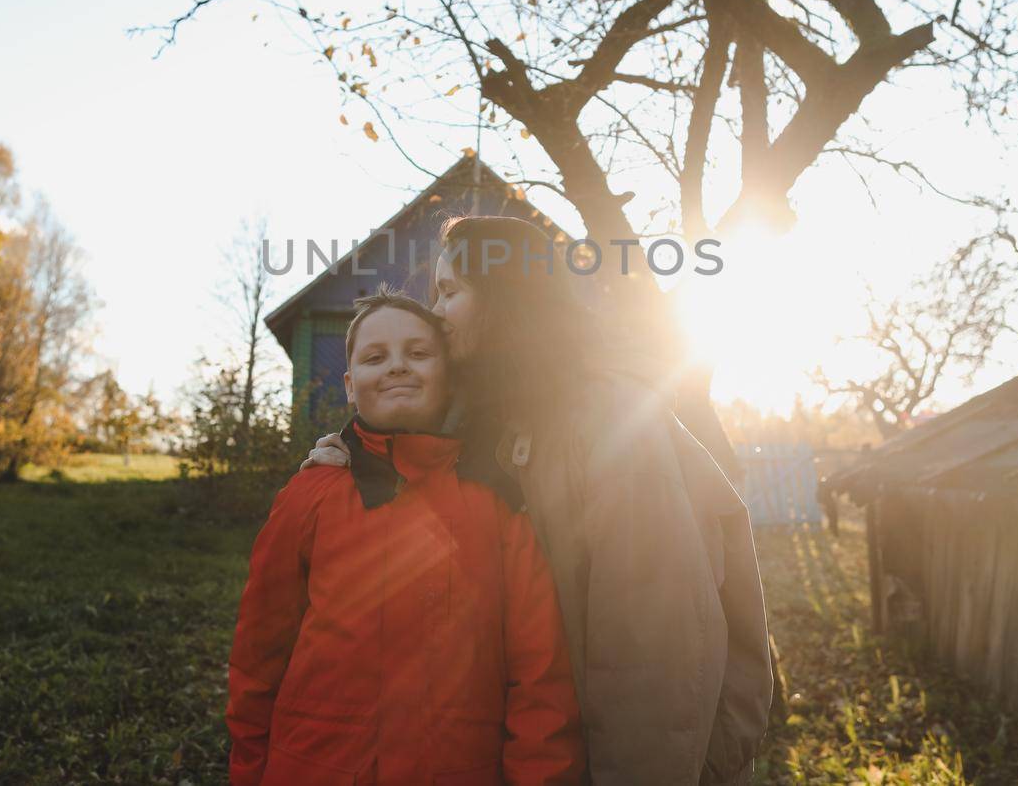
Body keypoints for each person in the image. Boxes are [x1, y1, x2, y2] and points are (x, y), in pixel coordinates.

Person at [304, 216, 773, 785]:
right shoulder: (495, 416)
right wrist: (349, 461)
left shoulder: (608, 420)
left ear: (506, 296)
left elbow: (655, 653)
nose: (437, 314)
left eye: (450, 292)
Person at [227, 288, 585, 786]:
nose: (397, 366)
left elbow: (540, 678)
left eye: (418, 353)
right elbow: (258, 654)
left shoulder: (500, 504)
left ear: (449, 375)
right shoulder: (311, 493)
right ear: (351, 386)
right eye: (376, 357)